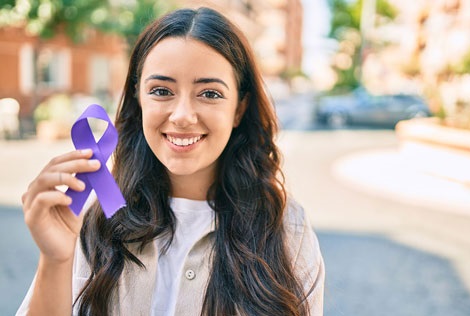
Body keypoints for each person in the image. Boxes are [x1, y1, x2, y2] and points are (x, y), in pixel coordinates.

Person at [18, 6, 324, 316]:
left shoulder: (288, 231)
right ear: (138, 99)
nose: (181, 116)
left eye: (210, 94)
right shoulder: (90, 219)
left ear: (239, 109)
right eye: (162, 91)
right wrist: (55, 260)